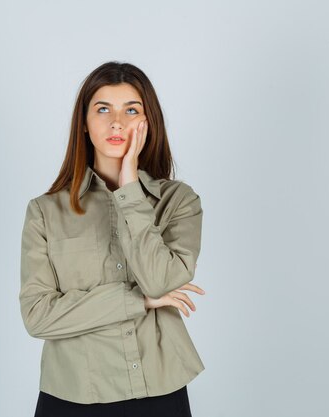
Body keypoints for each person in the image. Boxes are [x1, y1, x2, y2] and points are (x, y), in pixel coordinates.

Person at [19, 61, 206, 417]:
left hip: (160, 393)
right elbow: (38, 317)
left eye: (131, 109)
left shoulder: (179, 201)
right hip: (71, 397)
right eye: (102, 109)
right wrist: (140, 301)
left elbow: (160, 280)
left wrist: (130, 187)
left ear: (147, 122)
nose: (116, 122)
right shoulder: (44, 212)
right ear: (85, 125)